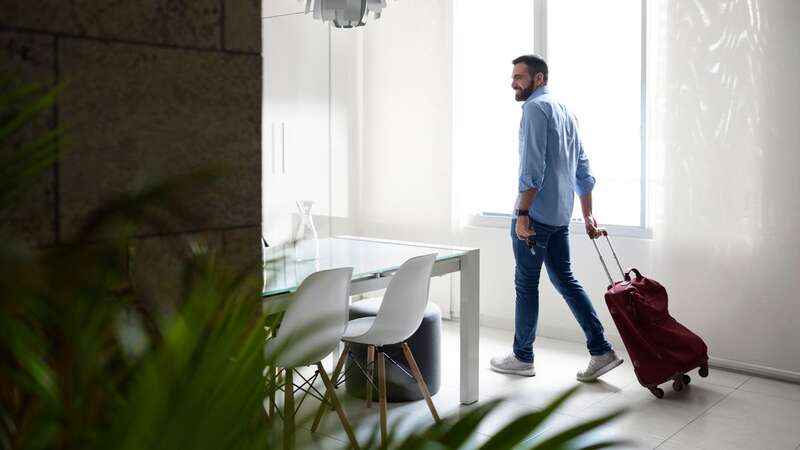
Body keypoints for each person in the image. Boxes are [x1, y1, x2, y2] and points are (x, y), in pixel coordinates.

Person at [489, 55, 623, 381]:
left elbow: (532, 169)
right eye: (512, 77)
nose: (513, 83)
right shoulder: (565, 111)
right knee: (565, 279)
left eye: (519, 77)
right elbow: (583, 169)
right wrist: (588, 215)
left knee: (526, 284)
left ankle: (523, 357)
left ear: (539, 79)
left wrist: (522, 215)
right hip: (560, 215)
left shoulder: (535, 109)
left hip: (535, 216)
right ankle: (601, 349)